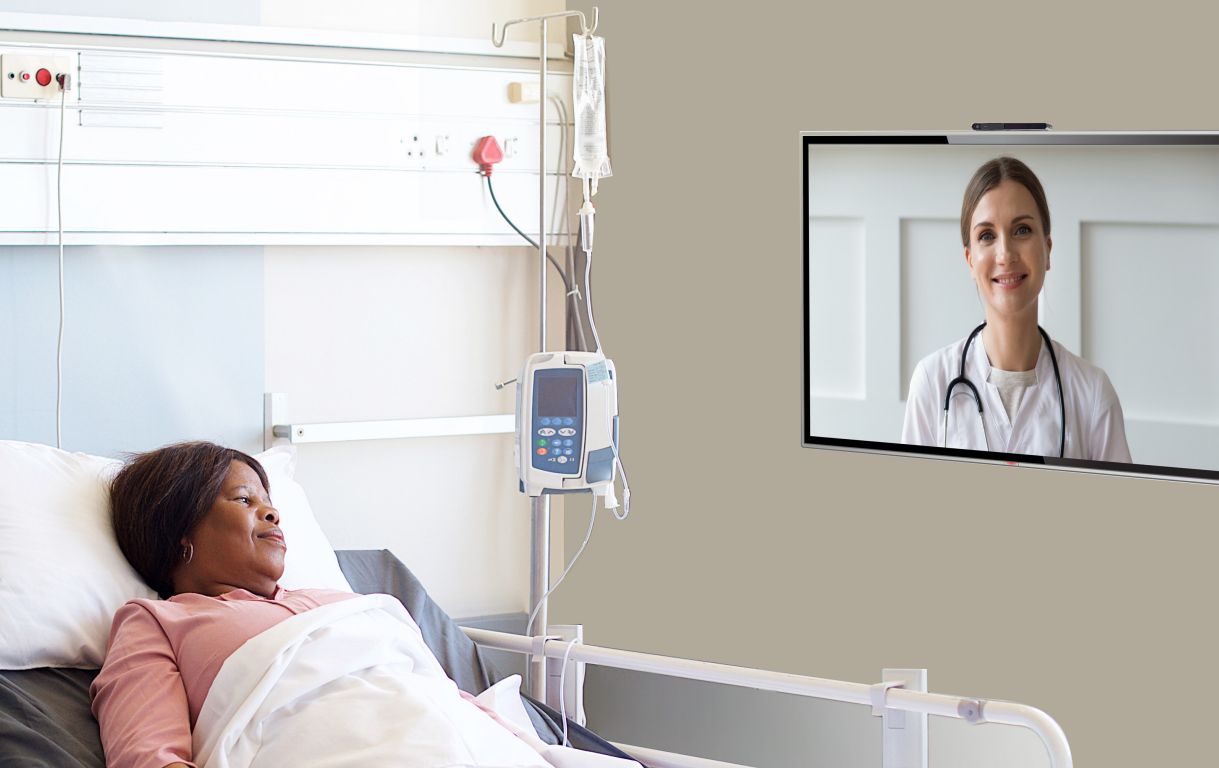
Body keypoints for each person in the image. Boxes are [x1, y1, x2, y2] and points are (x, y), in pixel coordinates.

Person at [89, 442, 535, 768]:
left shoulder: (340, 601)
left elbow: (436, 690)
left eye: (270, 502)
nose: (273, 514)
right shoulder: (159, 622)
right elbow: (149, 757)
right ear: (178, 531)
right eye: (245, 499)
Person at [901, 157, 1132, 462]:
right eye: (987, 235)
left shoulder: (1092, 394)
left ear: (1047, 251)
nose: (1005, 254)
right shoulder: (932, 382)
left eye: (1022, 230)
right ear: (970, 261)